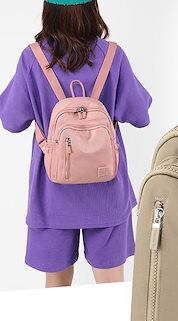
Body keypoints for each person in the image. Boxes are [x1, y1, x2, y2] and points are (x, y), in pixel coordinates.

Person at [0, 0, 152, 288]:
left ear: (49, 11)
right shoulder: (113, 56)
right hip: (107, 191)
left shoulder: (32, 58)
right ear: (92, 9)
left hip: (52, 193)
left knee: (57, 289)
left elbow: (11, 120)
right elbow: (140, 115)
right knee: (111, 288)